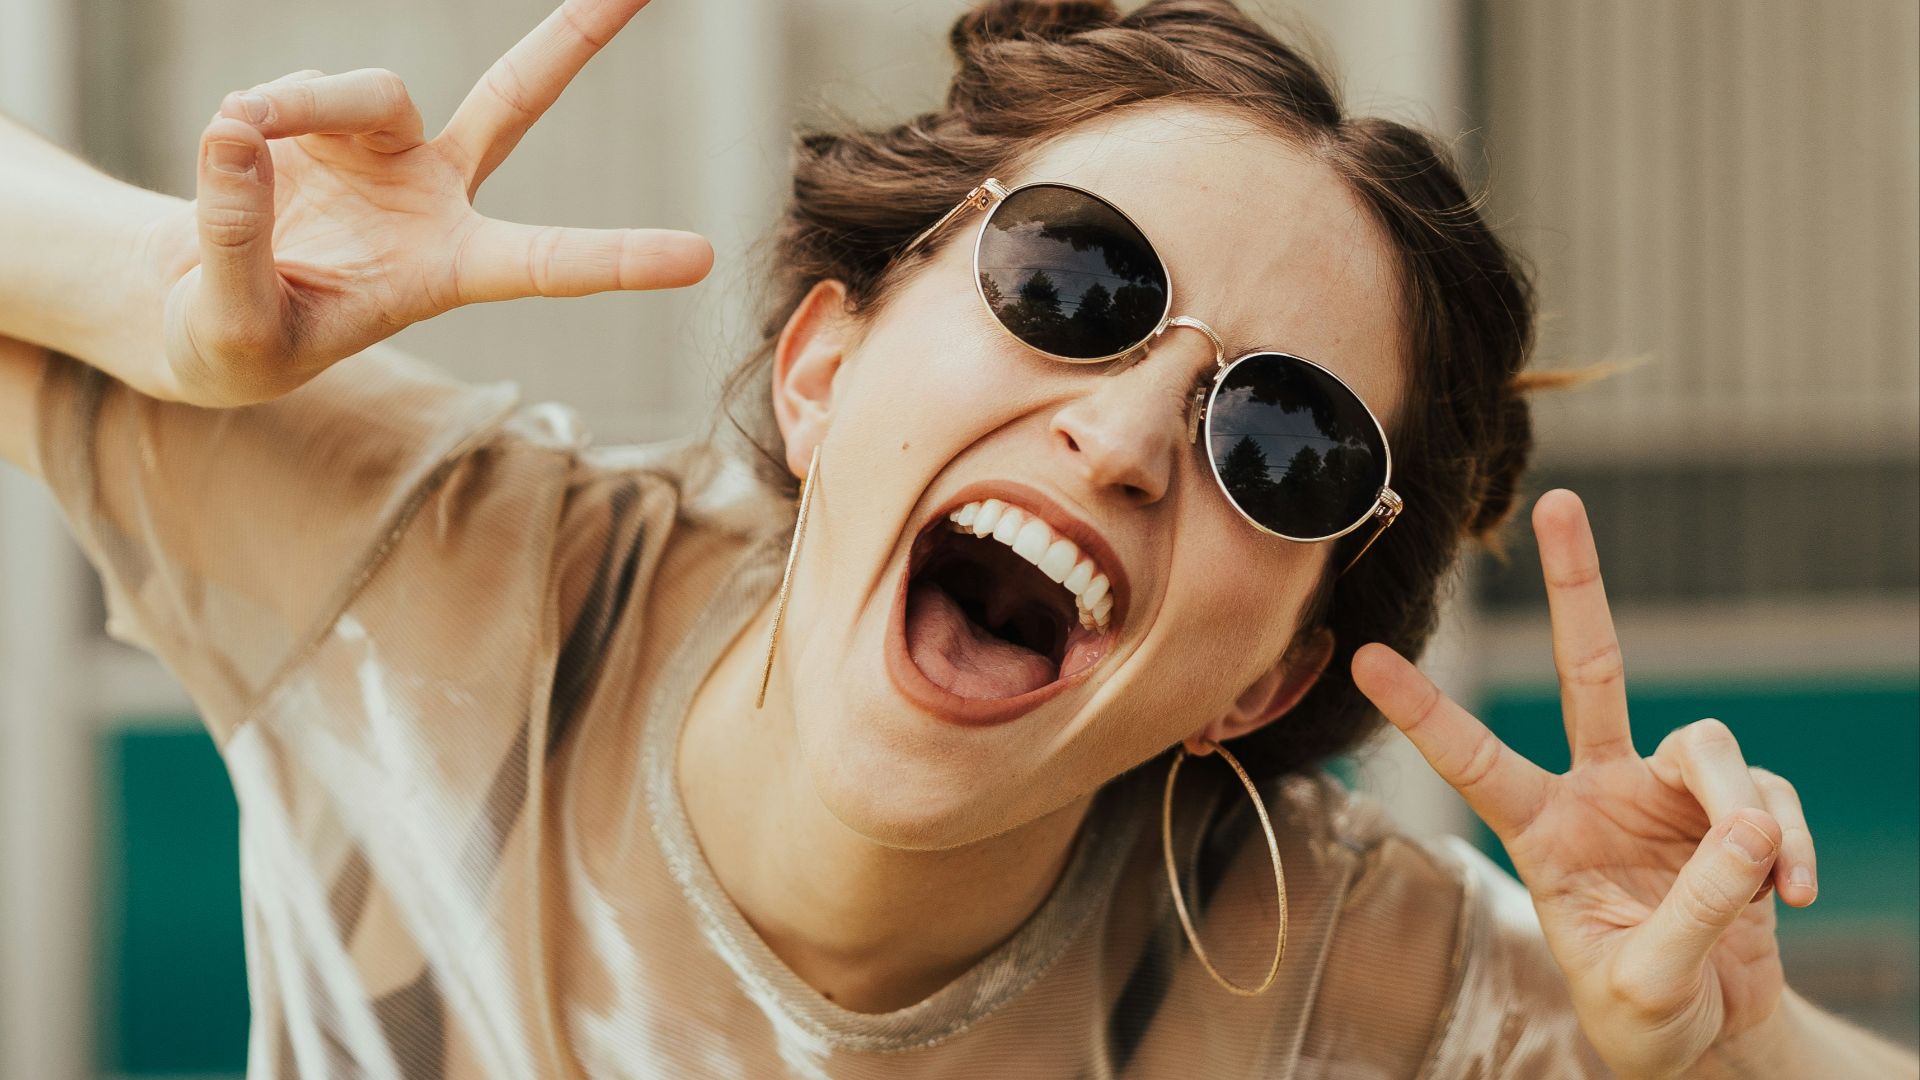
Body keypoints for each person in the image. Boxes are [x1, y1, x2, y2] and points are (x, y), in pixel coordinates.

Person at [0, 0, 1914, 1076]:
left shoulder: (1329, 974)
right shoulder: (443, 572)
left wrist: (1732, 1054)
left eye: (1283, 444)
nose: (1131, 437)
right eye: (1075, 282)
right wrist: (159, 294)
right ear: (823, 367)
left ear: (1264, 682)